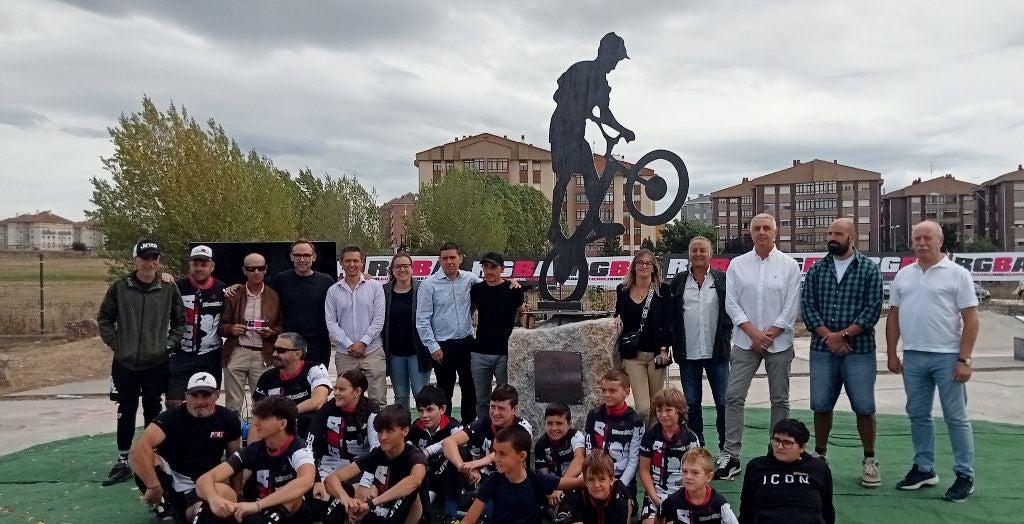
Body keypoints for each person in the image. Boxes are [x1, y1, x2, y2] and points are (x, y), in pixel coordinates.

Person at [886, 220, 979, 502]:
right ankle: (924, 469)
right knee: (918, 415)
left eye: (927, 237)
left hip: (948, 357)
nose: (922, 242)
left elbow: (971, 319)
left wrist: (964, 359)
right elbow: (893, 315)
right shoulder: (904, 275)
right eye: (917, 238)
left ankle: (965, 475)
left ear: (940, 240)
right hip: (913, 356)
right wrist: (892, 352)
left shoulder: (957, 274)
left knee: (955, 418)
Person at [717, 213, 801, 480]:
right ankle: (731, 455)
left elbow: (791, 306)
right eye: (757, 228)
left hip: (780, 343)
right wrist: (753, 333)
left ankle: (777, 451)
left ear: (775, 232)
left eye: (767, 228)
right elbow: (731, 303)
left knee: (780, 400)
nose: (762, 232)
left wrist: (771, 333)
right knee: (733, 396)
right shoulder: (737, 265)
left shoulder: (789, 265)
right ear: (750, 233)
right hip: (745, 342)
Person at [801, 218, 883, 487]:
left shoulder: (869, 269)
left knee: (864, 407)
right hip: (823, 349)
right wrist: (830, 337)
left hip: (859, 350)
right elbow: (808, 308)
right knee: (822, 405)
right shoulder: (817, 270)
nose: (832, 237)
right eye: (830, 233)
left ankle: (869, 460)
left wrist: (844, 335)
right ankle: (821, 455)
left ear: (853, 237)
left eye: (838, 233)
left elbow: (872, 310)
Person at [97, 238, 186, 486]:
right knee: (126, 409)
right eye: (145, 257)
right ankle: (123, 460)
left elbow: (180, 321)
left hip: (156, 361)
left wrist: (168, 345)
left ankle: (152, 454)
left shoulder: (168, 287)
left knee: (153, 408)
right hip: (124, 362)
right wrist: (117, 344)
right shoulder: (120, 287)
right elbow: (104, 317)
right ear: (136, 259)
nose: (150, 262)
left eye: (154, 257)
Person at [548, 31, 635, 245]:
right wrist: (577, 106)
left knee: (591, 176)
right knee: (565, 176)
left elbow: (605, 113)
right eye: (615, 59)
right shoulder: (580, 69)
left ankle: (595, 221)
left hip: (577, 133)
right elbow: (557, 95)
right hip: (562, 129)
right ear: (605, 54)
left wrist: (622, 130)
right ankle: (553, 228)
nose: (615, 65)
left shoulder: (602, 85)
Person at [130, 372, 242, 523]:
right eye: (194, 395)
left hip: (205, 483)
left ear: (217, 394)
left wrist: (237, 494)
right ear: (186, 396)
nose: (200, 401)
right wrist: (154, 486)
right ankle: (164, 507)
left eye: (206, 395)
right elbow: (140, 448)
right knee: (144, 457)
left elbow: (235, 459)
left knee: (208, 512)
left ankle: (183, 512)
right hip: (171, 475)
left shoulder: (229, 419)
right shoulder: (170, 417)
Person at [193, 396, 316, 524]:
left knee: (293, 498)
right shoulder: (254, 449)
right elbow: (204, 480)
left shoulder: (299, 449)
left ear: (282, 424)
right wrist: (214, 500)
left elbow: (306, 481)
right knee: (216, 490)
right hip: (254, 508)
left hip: (285, 514)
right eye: (256, 417)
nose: (255, 422)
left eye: (263, 418)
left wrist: (258, 505)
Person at [670, 235, 731, 452]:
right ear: (689, 254)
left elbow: (732, 311)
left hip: (718, 353)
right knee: (692, 404)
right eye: (694, 250)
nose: (698, 254)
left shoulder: (722, 279)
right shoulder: (678, 282)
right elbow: (671, 318)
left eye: (702, 250)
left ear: (711, 254)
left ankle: (726, 448)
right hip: (688, 353)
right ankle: (697, 446)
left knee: (723, 403)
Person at [323, 404, 428, 524]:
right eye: (380, 431)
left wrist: (373, 503)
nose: (383, 437)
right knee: (343, 489)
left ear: (405, 431)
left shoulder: (415, 455)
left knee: (408, 491)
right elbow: (331, 479)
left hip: (407, 517)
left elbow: (414, 481)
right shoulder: (376, 454)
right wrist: (345, 499)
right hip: (379, 511)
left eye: (389, 431)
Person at [461, 425, 584, 524]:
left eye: (502, 454)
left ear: (522, 456)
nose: (496, 459)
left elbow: (582, 483)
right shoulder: (494, 481)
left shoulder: (536, 480)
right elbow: (468, 521)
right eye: (495, 452)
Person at [416, 241, 482, 422]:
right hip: (442, 347)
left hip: (467, 343)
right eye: (445, 258)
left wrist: (512, 283)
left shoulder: (470, 279)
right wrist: (432, 346)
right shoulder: (429, 285)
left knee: (470, 387)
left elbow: (491, 287)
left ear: (460, 258)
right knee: (445, 391)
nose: (449, 261)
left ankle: (469, 428)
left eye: (453, 257)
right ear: (440, 260)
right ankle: (445, 429)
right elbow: (422, 320)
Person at [304, 369, 380, 521]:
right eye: (335, 388)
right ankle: (345, 499)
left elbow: (376, 450)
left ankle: (347, 497)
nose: (336, 392)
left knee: (368, 498)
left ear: (357, 391)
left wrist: (366, 482)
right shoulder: (327, 409)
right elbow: (308, 446)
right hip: (329, 466)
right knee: (314, 501)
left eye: (342, 389)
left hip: (358, 469)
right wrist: (316, 481)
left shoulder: (372, 411)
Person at [613, 248, 674, 425]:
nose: (644, 266)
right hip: (633, 356)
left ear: (654, 268)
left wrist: (664, 349)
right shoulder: (623, 290)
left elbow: (668, 322)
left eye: (648, 263)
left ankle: (653, 443)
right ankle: (641, 440)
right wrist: (617, 317)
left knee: (657, 406)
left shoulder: (662, 290)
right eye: (640, 262)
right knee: (643, 408)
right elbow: (619, 313)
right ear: (633, 267)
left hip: (656, 354)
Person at [738, 419, 835, 524]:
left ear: (802, 447)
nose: (779, 446)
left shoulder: (819, 468)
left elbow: (827, 511)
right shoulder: (756, 467)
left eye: (787, 442)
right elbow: (746, 510)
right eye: (776, 440)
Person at [167, 245, 228, 410]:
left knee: (207, 401)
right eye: (196, 264)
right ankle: (174, 434)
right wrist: (163, 276)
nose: (199, 268)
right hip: (182, 353)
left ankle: (203, 434)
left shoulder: (222, 289)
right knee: (173, 402)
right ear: (190, 265)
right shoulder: (177, 287)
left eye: (204, 264)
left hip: (210, 354)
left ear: (212, 266)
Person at [220, 252, 282, 413]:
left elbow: (281, 326)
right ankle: (234, 438)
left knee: (262, 406)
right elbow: (221, 325)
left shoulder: (274, 296)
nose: (256, 272)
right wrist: (231, 329)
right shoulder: (234, 295)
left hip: (264, 355)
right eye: (251, 268)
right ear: (244, 270)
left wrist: (271, 332)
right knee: (233, 406)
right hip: (237, 352)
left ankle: (259, 438)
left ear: (265, 269)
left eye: (260, 268)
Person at [325, 245, 387, 406]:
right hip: (345, 354)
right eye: (347, 261)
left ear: (362, 263)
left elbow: (379, 319)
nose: (352, 264)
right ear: (341, 263)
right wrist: (349, 345)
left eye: (355, 261)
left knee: (378, 400)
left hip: (373, 351)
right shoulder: (333, 291)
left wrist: (363, 342)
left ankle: (377, 431)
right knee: (347, 400)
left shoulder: (375, 287)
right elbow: (331, 322)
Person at [469, 251, 527, 418]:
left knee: (506, 399)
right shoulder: (477, 290)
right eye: (485, 267)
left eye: (493, 267)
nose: (489, 271)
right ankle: (482, 435)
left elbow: (523, 313)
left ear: (502, 269)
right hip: (480, 352)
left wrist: (528, 336)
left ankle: (506, 435)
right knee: (481, 399)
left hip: (505, 353)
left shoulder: (513, 290)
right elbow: (468, 313)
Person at [441, 384, 533, 487]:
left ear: (514, 409)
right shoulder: (484, 422)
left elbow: (507, 452)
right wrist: (463, 467)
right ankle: (452, 501)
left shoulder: (523, 427)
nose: (495, 413)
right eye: (492, 407)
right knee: (458, 452)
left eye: (501, 408)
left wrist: (477, 463)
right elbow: (448, 442)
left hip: (511, 482)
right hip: (485, 482)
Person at [267, 239, 335, 367]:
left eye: (306, 255)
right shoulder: (280, 280)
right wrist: (237, 287)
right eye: (298, 255)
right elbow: (262, 293)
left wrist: (365, 277)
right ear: (291, 257)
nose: (302, 259)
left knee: (318, 385)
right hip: (289, 345)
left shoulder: (326, 281)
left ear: (313, 257)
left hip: (319, 346)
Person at [638, 388, 701, 524]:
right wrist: (654, 497)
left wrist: (688, 497)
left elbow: (697, 472)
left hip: (683, 494)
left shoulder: (690, 438)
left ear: (679, 410)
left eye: (668, 410)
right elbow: (643, 470)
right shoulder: (650, 436)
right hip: (656, 494)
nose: (663, 415)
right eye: (659, 410)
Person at [252, 332, 331, 439]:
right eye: (274, 349)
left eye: (281, 350)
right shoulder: (267, 377)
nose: (274, 354)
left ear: (298, 354)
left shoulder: (315, 368)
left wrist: (287, 414)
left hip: (309, 429)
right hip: (278, 429)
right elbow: (259, 414)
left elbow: (318, 401)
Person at [383, 252, 432, 410]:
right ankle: (403, 430)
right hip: (395, 354)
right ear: (392, 270)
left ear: (412, 269)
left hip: (418, 353)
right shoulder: (384, 291)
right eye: (398, 266)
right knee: (401, 396)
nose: (402, 269)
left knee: (421, 395)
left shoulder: (422, 289)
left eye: (406, 266)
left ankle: (422, 431)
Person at [408, 385, 463, 522]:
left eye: (429, 410)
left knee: (458, 452)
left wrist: (427, 451)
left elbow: (452, 443)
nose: (424, 415)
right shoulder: (415, 427)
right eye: (420, 411)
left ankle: (450, 510)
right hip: (425, 477)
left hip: (448, 477)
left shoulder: (454, 426)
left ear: (442, 409)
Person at [584, 369, 644, 494]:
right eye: (604, 390)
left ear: (626, 392)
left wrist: (619, 485)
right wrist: (598, 480)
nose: (607, 395)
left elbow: (634, 461)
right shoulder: (594, 415)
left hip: (623, 480)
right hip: (597, 476)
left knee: (621, 509)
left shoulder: (636, 421)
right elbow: (589, 451)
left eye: (612, 390)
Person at [662, 448, 739, 524]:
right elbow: (659, 515)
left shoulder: (719, 503)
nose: (688, 476)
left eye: (695, 472)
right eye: (685, 471)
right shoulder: (673, 500)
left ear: (709, 477)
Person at [534, 402, 585, 508]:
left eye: (559, 423)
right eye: (549, 423)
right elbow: (542, 476)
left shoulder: (575, 436)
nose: (553, 428)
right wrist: (551, 494)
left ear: (569, 424)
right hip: (552, 492)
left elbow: (579, 459)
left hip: (573, 485)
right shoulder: (541, 444)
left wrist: (560, 487)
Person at [563, 450, 634, 524]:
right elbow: (566, 512)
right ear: (585, 481)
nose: (596, 485)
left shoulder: (619, 499)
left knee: (629, 503)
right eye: (591, 479)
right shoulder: (580, 495)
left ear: (611, 479)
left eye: (602, 479)